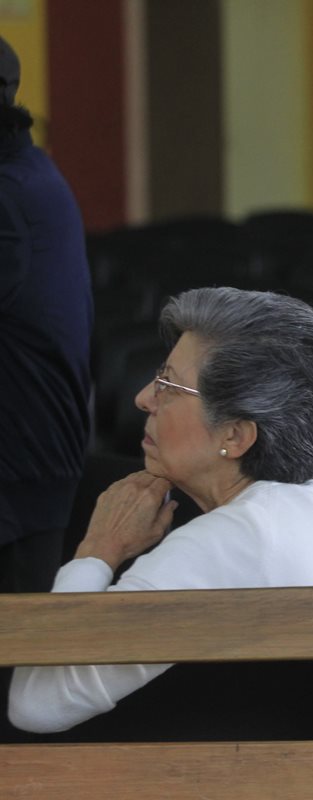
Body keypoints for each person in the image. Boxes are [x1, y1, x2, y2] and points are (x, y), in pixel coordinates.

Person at [8, 288, 313, 741]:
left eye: (168, 386)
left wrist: (98, 550)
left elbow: (34, 707)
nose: (142, 398)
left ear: (235, 436)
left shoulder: (226, 540)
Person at [0, 34, 93, 741]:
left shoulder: (11, 189)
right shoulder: (27, 170)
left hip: (16, 470)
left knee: (14, 711)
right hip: (29, 464)